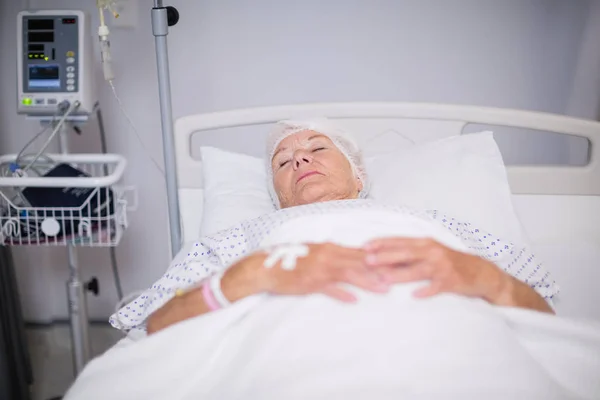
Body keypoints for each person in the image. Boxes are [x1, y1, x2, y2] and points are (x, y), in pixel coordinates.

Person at [109, 119, 556, 336]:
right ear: (277, 194)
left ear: (358, 175)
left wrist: (480, 276)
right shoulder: (239, 240)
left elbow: (544, 314)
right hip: (281, 342)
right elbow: (153, 324)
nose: (300, 158)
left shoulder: (432, 224)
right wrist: (241, 278)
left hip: (435, 333)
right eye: (283, 162)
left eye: (317, 148)